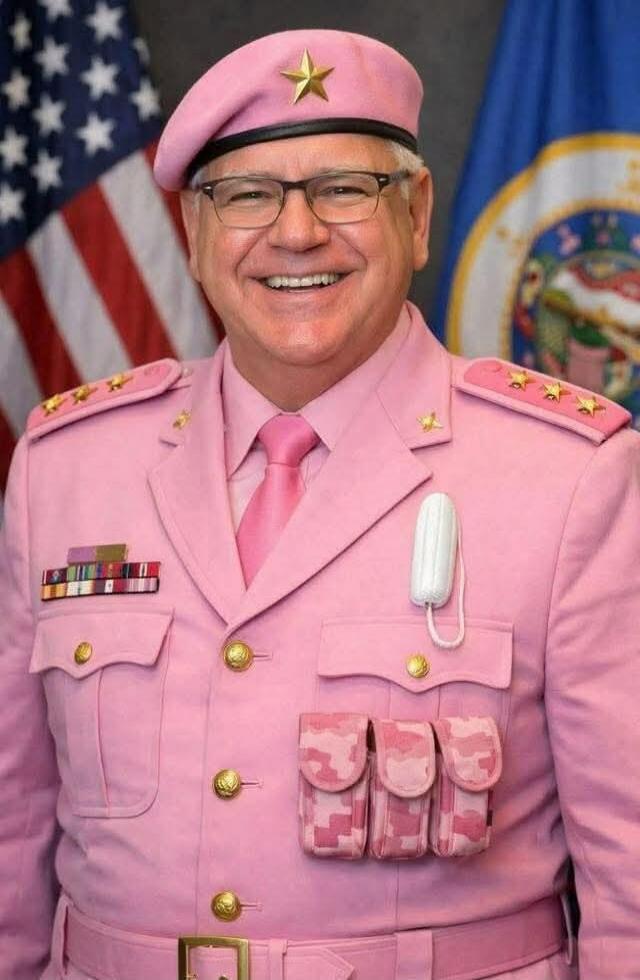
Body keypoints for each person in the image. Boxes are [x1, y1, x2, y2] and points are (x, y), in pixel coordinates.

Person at [1, 27, 638, 980]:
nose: (295, 233)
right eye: (248, 195)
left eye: (344, 189)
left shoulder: (568, 475)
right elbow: (10, 836)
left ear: (417, 214)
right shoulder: (65, 467)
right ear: (194, 231)